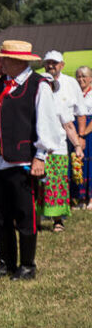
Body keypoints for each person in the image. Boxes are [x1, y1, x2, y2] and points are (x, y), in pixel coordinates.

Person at [0, 41, 66, 281]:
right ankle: (6, 263)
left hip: (23, 160)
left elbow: (48, 123)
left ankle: (27, 265)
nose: (0, 63)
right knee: (1, 215)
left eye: (4, 59)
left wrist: (40, 156)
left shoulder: (39, 85)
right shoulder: (1, 85)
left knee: (25, 215)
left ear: (18, 61)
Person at [39, 51, 85, 232]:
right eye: (48, 62)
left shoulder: (60, 99)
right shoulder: (34, 100)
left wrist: (77, 145)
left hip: (57, 148)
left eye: (54, 63)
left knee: (56, 184)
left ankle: (58, 220)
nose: (48, 87)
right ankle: (34, 219)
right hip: (36, 150)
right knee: (37, 185)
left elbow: (68, 125)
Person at [74, 66, 92, 209]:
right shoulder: (75, 94)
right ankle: (79, 197)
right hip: (75, 131)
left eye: (84, 76)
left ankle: (91, 199)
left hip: (89, 132)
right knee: (78, 164)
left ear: (90, 78)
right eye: (79, 76)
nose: (81, 79)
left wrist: (84, 133)